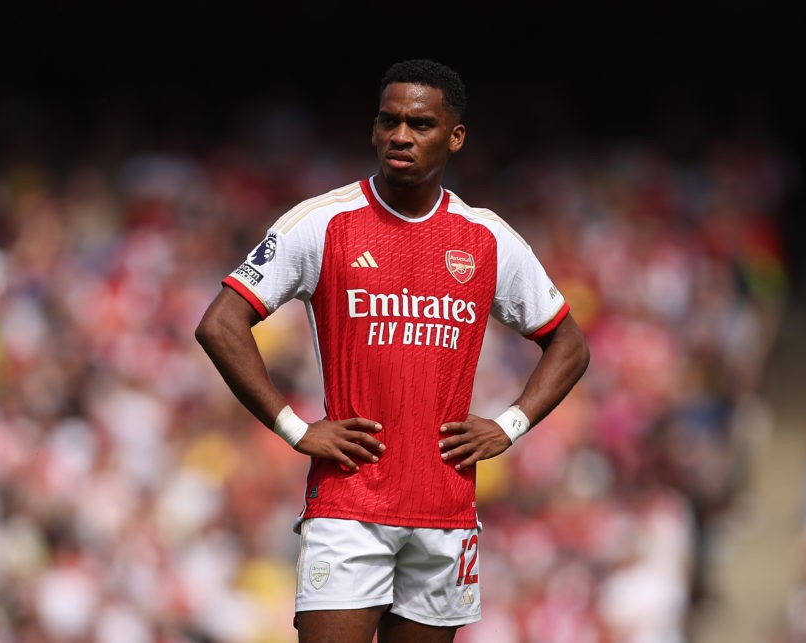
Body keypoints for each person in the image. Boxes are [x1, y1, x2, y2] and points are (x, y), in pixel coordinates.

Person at [195, 58, 590, 643]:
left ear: (455, 136)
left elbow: (570, 344)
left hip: (446, 511)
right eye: (389, 121)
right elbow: (219, 324)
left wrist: (509, 425)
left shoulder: (487, 237)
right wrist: (295, 428)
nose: (400, 136)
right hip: (348, 504)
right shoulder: (324, 223)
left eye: (421, 124)